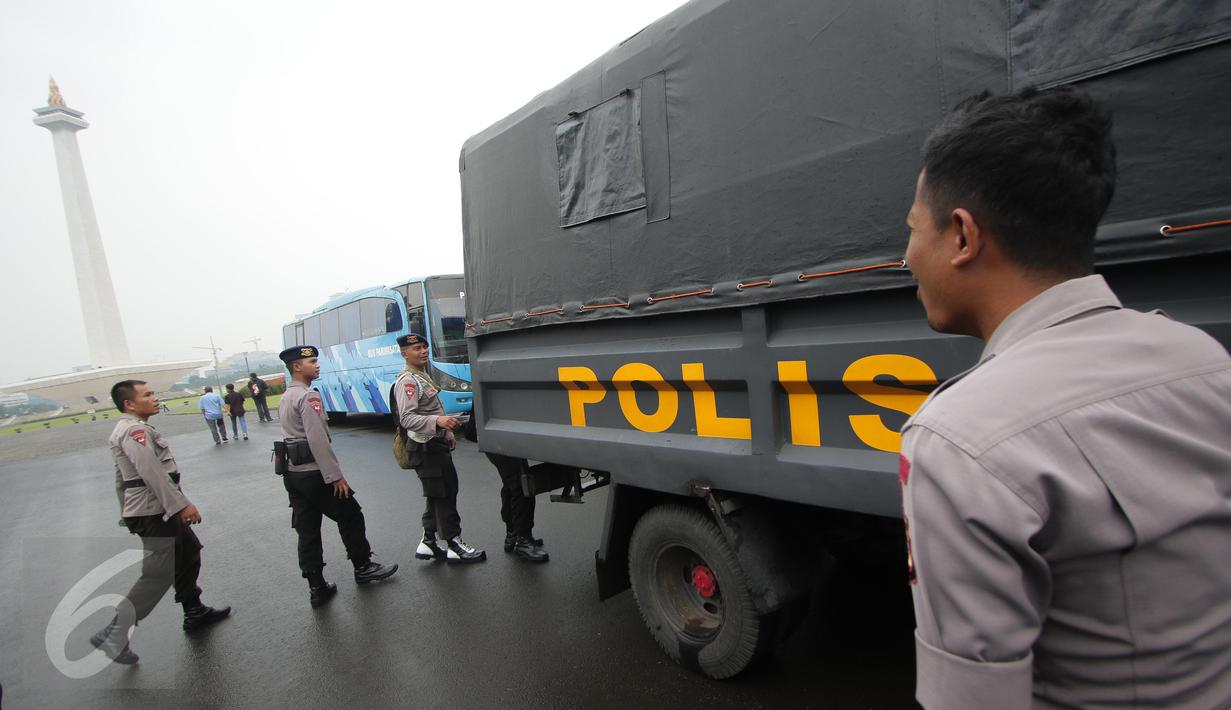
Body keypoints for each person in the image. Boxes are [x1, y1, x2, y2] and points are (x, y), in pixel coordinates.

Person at [899, 86, 1231, 709]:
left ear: (964, 236)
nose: (908, 258)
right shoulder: (1201, 359)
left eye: (914, 230)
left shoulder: (958, 441)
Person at [90, 380, 231, 664]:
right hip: (155, 512)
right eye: (148, 394)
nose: (155, 398)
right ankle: (114, 633)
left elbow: (122, 479)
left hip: (152, 509)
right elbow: (152, 473)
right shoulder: (135, 430)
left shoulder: (129, 428)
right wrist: (181, 505)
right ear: (129, 404)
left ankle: (193, 610)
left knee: (189, 552)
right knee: (158, 573)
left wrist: (127, 512)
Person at [278, 345, 398, 606]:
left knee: (307, 530)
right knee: (351, 515)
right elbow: (317, 439)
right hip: (315, 473)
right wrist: (335, 477)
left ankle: (316, 585)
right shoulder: (309, 396)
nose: (317, 365)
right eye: (311, 361)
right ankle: (363, 566)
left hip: (294, 474)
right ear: (297, 367)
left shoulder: (287, 395)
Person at [392, 333, 485, 564]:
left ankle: (428, 542)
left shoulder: (421, 376)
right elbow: (406, 418)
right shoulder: (408, 382)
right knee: (445, 494)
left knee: (437, 493)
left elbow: (432, 408)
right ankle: (454, 543)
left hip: (434, 443)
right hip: (424, 447)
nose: (423, 351)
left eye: (424, 347)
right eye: (416, 348)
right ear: (405, 353)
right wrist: (438, 423)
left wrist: (446, 432)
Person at [484, 453, 548, 562]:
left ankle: (513, 533)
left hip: (497, 441)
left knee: (512, 483)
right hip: (502, 441)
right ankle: (522, 539)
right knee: (521, 484)